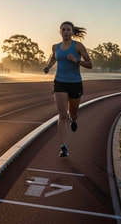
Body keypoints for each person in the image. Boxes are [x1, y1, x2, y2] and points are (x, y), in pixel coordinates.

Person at [44, 21, 92, 157]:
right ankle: (63, 146)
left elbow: (90, 64)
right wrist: (48, 66)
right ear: (60, 32)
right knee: (62, 115)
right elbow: (54, 58)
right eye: (63, 30)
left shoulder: (78, 46)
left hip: (75, 83)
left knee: (73, 113)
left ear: (72, 32)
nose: (65, 32)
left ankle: (75, 119)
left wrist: (76, 61)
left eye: (68, 30)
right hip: (60, 82)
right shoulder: (55, 47)